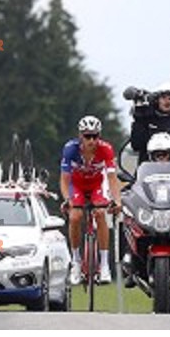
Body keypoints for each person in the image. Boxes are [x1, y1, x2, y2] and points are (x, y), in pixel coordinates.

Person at [60, 115, 121, 285]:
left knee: (101, 213)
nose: (92, 140)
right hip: (77, 186)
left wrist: (117, 201)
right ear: (80, 136)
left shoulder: (106, 149)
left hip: (96, 185)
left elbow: (112, 178)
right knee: (75, 217)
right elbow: (64, 180)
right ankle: (76, 262)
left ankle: (104, 264)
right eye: (87, 136)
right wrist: (67, 200)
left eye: (95, 136)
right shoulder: (70, 150)